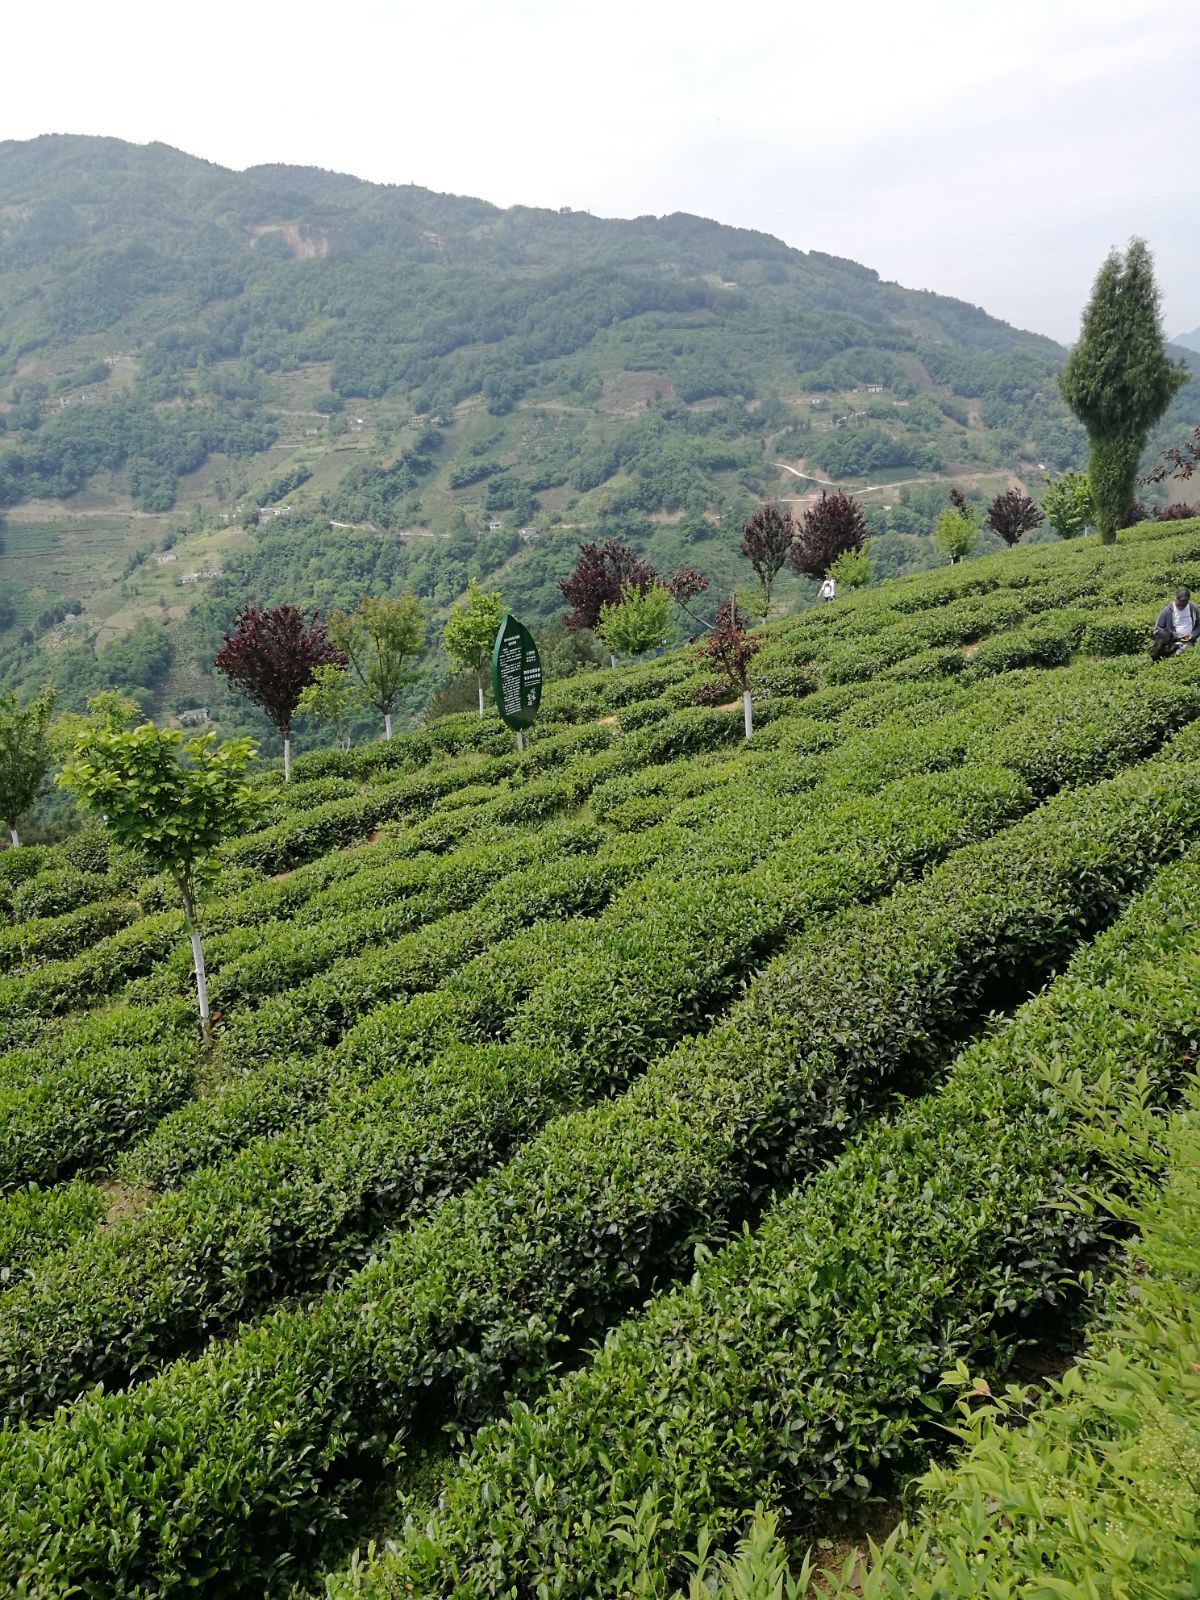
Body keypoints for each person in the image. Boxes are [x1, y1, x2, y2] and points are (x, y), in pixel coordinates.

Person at [1151, 586, 1199, 659]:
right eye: (1179, 604)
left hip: (1188, 641)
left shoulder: (1193, 608)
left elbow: (1199, 626)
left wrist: (1192, 635)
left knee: (1184, 654)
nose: (1181, 607)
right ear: (1175, 598)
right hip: (1172, 642)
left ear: (1188, 601)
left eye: (1184, 605)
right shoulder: (1166, 611)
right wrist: (1176, 635)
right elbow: (1157, 630)